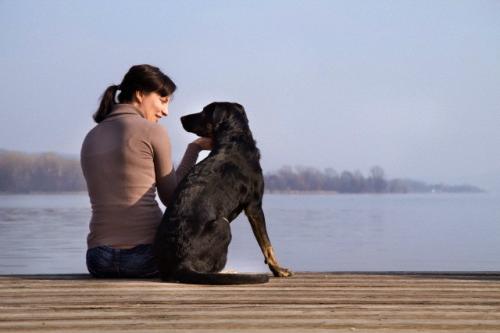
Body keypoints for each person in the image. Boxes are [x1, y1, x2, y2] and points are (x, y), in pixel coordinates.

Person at [81, 64, 211, 278]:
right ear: (140, 94)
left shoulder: (91, 136)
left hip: (97, 259)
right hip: (145, 258)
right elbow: (172, 197)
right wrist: (194, 148)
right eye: (163, 100)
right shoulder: (152, 131)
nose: (166, 111)